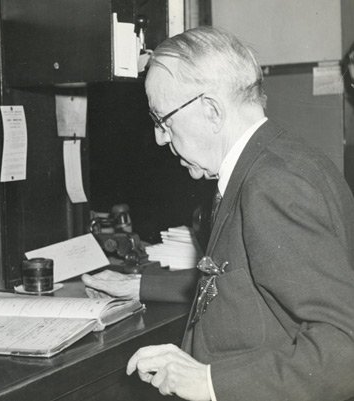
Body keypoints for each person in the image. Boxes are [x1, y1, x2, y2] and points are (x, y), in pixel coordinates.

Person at [82, 26, 354, 401]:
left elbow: (345, 350)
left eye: (163, 120)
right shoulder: (276, 160)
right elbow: (244, 279)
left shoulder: (271, 184)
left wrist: (208, 382)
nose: (161, 137)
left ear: (210, 110)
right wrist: (140, 285)